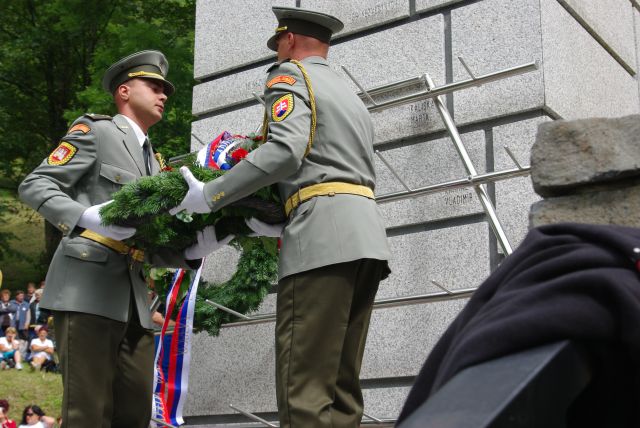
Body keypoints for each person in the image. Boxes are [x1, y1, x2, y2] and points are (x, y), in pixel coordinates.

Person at [170, 7, 391, 428]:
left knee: (303, 388)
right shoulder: (348, 94)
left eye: (277, 46)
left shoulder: (289, 76)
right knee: (342, 390)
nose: (276, 54)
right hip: (366, 238)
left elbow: (285, 150)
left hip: (320, 238)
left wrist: (212, 194)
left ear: (288, 41)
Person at [18, 50, 230, 427]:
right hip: (87, 287)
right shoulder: (97, 132)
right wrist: (85, 216)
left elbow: (142, 240)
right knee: (88, 412)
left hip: (134, 299)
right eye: (154, 86)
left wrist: (191, 250)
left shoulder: (155, 163)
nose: (163, 94)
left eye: (165, 90)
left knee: (134, 414)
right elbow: (35, 184)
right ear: (125, 91)